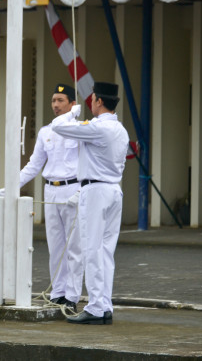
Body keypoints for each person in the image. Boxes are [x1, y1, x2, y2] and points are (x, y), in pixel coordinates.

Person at [0, 83, 81, 311]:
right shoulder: (46, 132)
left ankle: (72, 295)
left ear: (73, 104)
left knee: (74, 246)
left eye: (61, 100)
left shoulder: (81, 128)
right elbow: (33, 166)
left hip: (73, 189)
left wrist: (83, 191)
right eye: (53, 101)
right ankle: (58, 292)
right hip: (51, 189)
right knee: (56, 245)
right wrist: (11, 187)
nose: (55, 105)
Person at [51, 82, 129, 325]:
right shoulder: (121, 129)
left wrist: (72, 114)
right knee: (106, 252)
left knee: (92, 249)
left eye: (92, 99)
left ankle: (96, 307)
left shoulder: (98, 127)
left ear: (98, 101)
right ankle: (104, 305)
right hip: (114, 190)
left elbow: (57, 126)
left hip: (95, 191)